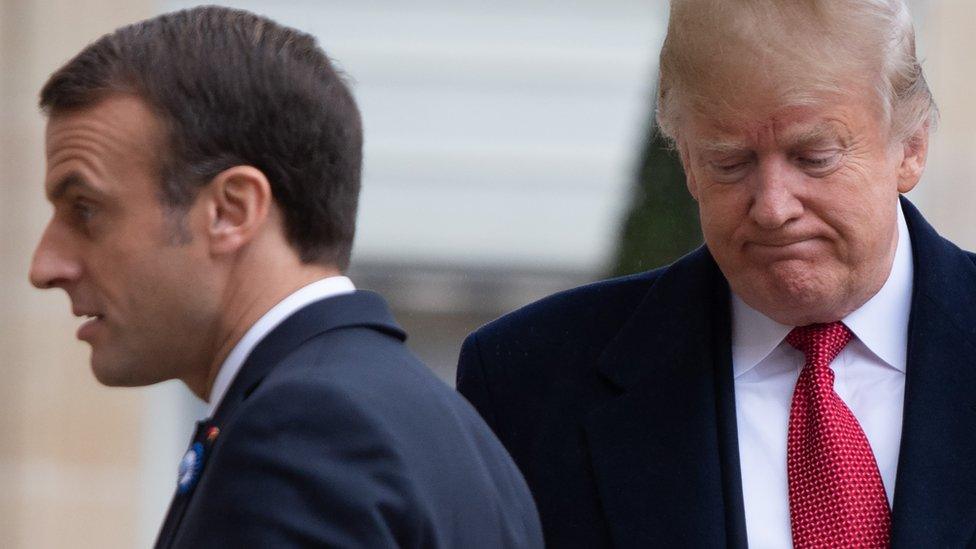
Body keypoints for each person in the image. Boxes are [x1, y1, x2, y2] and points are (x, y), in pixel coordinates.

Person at [457, 0, 976, 547]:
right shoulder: (530, 383)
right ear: (687, 163)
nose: (773, 207)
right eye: (730, 162)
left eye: (814, 156)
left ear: (911, 147)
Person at [30, 6, 542, 548]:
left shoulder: (300, 431)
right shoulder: (447, 430)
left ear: (231, 211)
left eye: (85, 209)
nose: (46, 266)